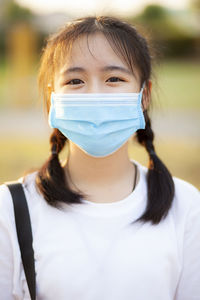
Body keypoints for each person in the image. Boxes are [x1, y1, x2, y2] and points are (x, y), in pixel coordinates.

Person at [0, 15, 200, 300]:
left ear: (144, 96)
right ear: (54, 98)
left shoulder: (187, 206)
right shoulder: (9, 209)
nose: (94, 93)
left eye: (114, 79)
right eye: (75, 80)